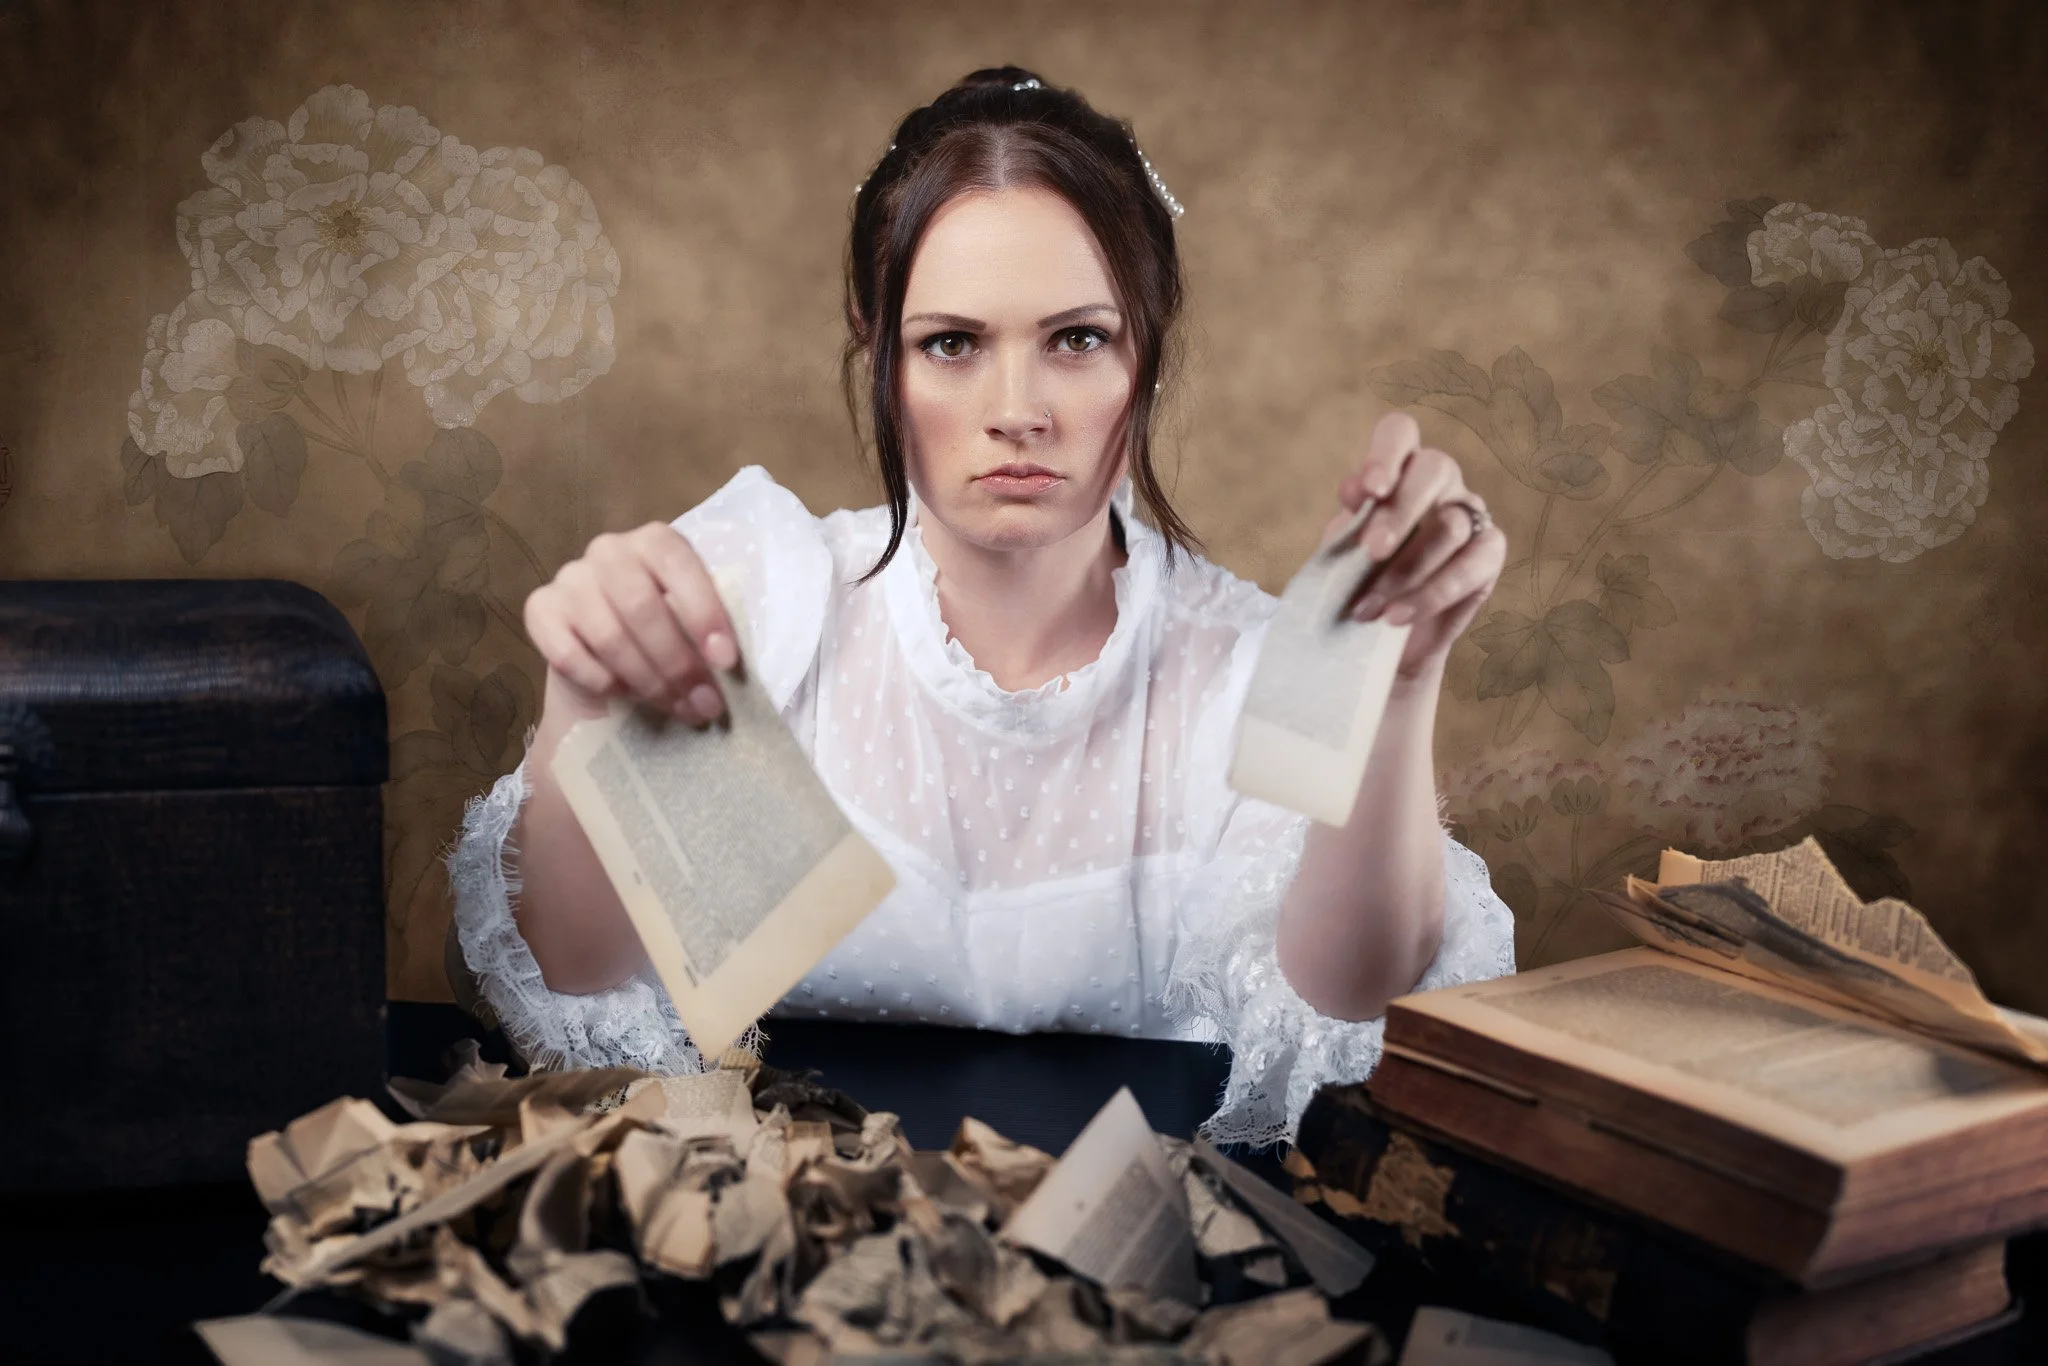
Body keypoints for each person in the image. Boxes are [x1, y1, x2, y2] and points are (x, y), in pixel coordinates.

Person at [448, 66, 1515, 1147]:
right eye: (951, 344)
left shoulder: (1251, 666)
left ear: (1146, 348)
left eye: (1076, 338)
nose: (1017, 413)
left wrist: (1394, 681)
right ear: (875, 346)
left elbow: (1346, 1009)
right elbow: (582, 982)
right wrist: (581, 700)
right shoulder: (764, 607)